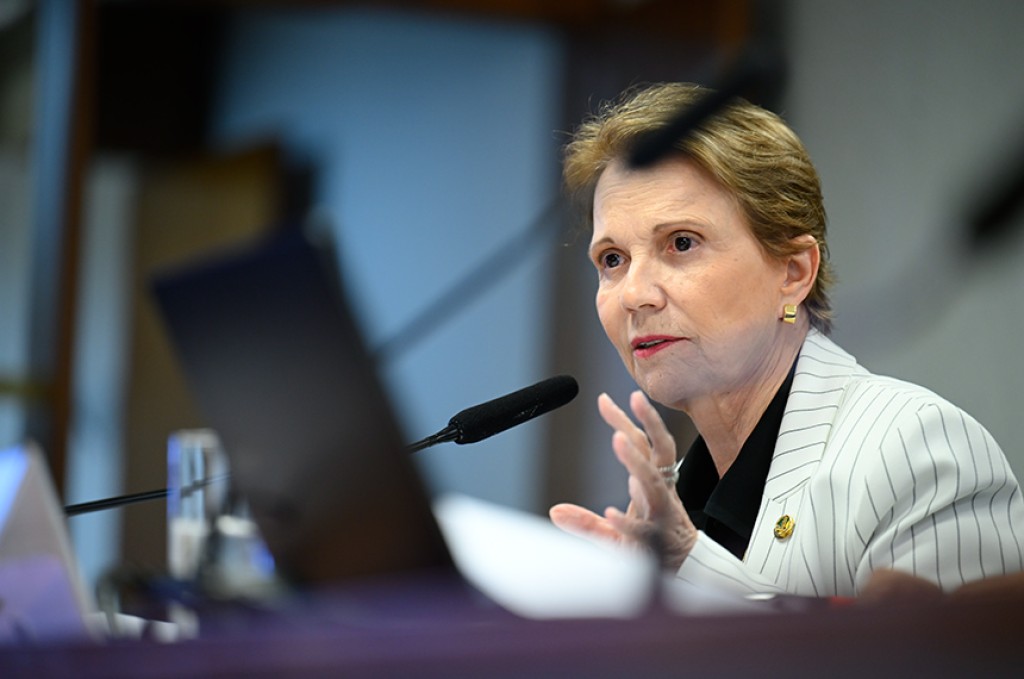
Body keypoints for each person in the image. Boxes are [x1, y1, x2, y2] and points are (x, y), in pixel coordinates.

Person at [549, 82, 1024, 598]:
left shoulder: (916, 449)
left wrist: (690, 562)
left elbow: (932, 646)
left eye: (681, 243)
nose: (634, 294)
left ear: (794, 273)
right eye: (612, 259)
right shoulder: (676, 500)